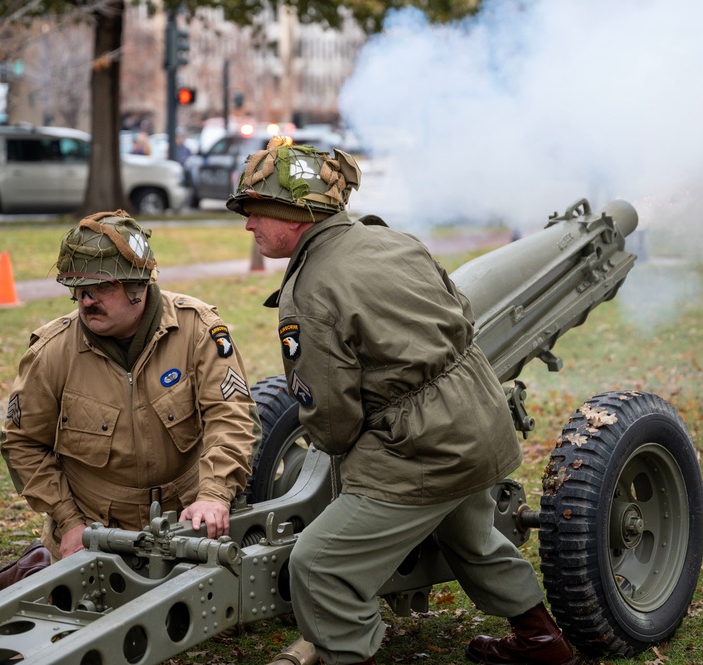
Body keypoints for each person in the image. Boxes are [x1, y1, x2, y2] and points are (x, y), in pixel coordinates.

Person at [227, 138, 577, 665]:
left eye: (254, 211)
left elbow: (332, 418)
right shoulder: (392, 240)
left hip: (423, 449)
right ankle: (542, 642)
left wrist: (353, 450)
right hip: (481, 423)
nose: (248, 226)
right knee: (472, 536)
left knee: (320, 566)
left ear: (295, 213)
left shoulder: (311, 291)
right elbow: (460, 312)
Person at [0, 210, 260, 595]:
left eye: (100, 288)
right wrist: (69, 524)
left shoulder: (198, 329)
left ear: (138, 287)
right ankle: (38, 561)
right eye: (78, 289)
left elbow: (231, 416)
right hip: (94, 529)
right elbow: (22, 442)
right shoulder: (52, 352)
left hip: (187, 521)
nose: (86, 301)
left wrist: (213, 496)